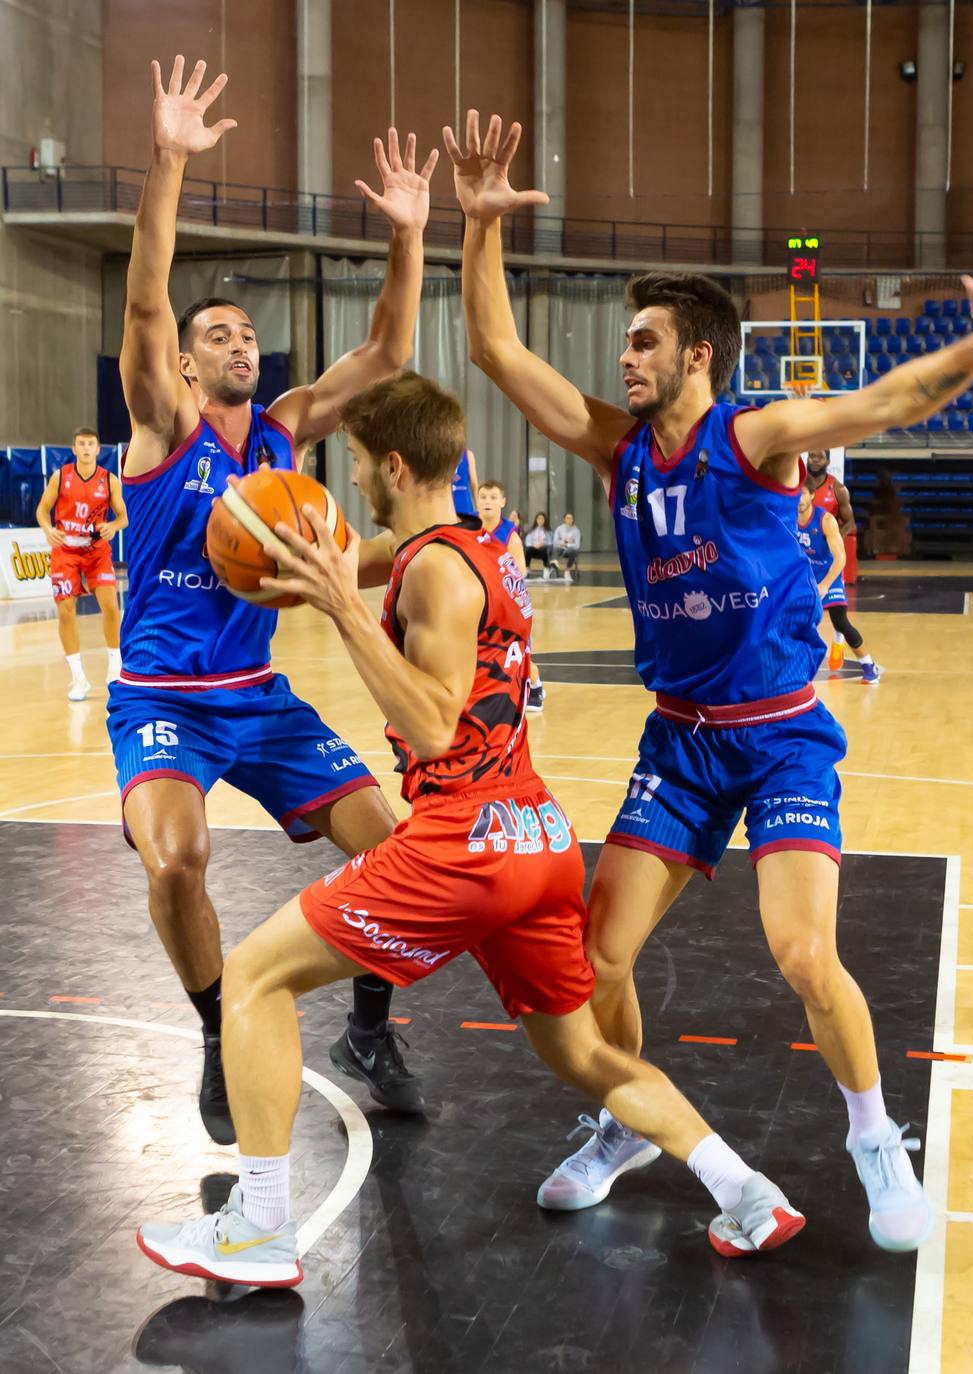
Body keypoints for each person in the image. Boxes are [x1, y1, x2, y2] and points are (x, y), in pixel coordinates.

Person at [448, 107, 973, 1252]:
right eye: (623, 342)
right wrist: (478, 227)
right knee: (595, 955)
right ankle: (621, 1122)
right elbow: (493, 351)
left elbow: (880, 404)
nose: (622, 358)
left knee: (802, 952)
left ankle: (872, 1137)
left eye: (641, 342)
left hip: (778, 733)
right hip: (677, 740)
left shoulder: (754, 435)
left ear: (696, 355)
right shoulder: (613, 447)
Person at [134, 371, 806, 1288]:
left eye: (362, 465)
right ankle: (747, 1191)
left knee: (252, 977)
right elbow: (368, 556)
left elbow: (434, 725)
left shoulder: (437, 572)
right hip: (535, 834)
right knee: (583, 1052)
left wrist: (336, 608)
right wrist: (301, 561)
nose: (355, 483)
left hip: (461, 844)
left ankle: (257, 1223)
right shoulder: (478, 543)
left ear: (396, 465)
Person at [110, 55, 437, 1140]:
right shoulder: (164, 427)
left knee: (390, 848)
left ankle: (368, 1027)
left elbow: (387, 348)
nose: (238, 343)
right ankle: (215, 1026)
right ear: (187, 368)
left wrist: (404, 230)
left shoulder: (289, 432)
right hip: (160, 693)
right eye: (219, 337)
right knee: (175, 863)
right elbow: (146, 296)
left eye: (247, 334)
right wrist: (169, 160)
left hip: (257, 694)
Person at [35, 427, 128, 700]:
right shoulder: (60, 476)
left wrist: (114, 525)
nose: (86, 448)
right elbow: (42, 509)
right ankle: (78, 679)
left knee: (111, 605)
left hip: (97, 549)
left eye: (91, 444)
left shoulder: (109, 480)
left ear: (99, 449)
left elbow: (123, 517)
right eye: (81, 444)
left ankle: (115, 667)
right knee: (65, 610)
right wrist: (47, 528)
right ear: (74, 449)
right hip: (65, 550)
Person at [797, 486, 879, 684]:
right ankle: (795, 668)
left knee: (840, 621)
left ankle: (869, 665)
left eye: (803, 494)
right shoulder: (787, 517)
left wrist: (825, 584)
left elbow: (841, 557)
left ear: (812, 495)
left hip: (830, 572)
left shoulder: (825, 520)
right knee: (795, 621)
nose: (798, 498)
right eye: (795, 493)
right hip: (806, 575)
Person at [477, 478, 545, 712]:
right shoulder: (470, 531)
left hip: (510, 603)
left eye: (493, 497)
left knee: (519, 654)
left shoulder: (510, 536)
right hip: (481, 602)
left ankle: (536, 686)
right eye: (483, 497)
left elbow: (520, 574)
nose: (487, 502)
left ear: (502, 502)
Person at [805, 449, 857, 672]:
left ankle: (838, 640)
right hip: (804, 552)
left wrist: (833, 539)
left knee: (837, 611)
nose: (815, 460)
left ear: (828, 461)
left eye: (820, 457)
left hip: (829, 557)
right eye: (811, 456)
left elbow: (850, 522)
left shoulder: (838, 489)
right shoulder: (798, 485)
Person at [550, 511, 581, 582]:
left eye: (571, 518)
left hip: (570, 550)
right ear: (564, 519)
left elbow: (577, 545)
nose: (569, 520)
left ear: (573, 519)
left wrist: (566, 544)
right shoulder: (559, 529)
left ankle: (566, 570)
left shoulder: (576, 530)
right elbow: (555, 542)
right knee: (555, 548)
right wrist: (565, 542)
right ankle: (553, 566)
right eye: (567, 518)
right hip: (560, 549)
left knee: (572, 551)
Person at [451, 446, 479, 517]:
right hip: (445, 502)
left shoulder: (468, 454)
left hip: (464, 502)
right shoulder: (439, 454)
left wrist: (479, 508)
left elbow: (474, 485)